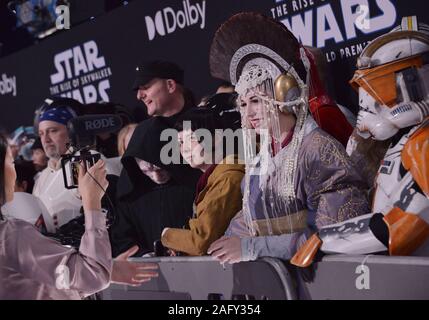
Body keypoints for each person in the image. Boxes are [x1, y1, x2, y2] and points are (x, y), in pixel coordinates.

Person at [206, 12, 369, 264]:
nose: (248, 112)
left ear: (282, 96)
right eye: (243, 103)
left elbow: (334, 233)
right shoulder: (261, 160)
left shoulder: (318, 150)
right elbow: (250, 220)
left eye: (256, 101)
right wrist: (223, 246)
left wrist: (252, 248)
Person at [291, 16, 429, 267]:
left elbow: (400, 226)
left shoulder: (423, 143)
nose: (372, 101)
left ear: (414, 81)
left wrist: (326, 238)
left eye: (384, 86)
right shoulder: (404, 139)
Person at [161, 93, 245, 255]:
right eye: (180, 142)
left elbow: (201, 241)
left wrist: (166, 235)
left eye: (191, 138)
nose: (184, 149)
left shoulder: (229, 178)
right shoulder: (215, 178)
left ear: (217, 139)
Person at [111, 117, 199, 257]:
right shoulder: (129, 192)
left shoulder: (194, 181)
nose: (156, 177)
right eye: (146, 171)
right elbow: (122, 238)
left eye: (161, 169)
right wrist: (143, 255)